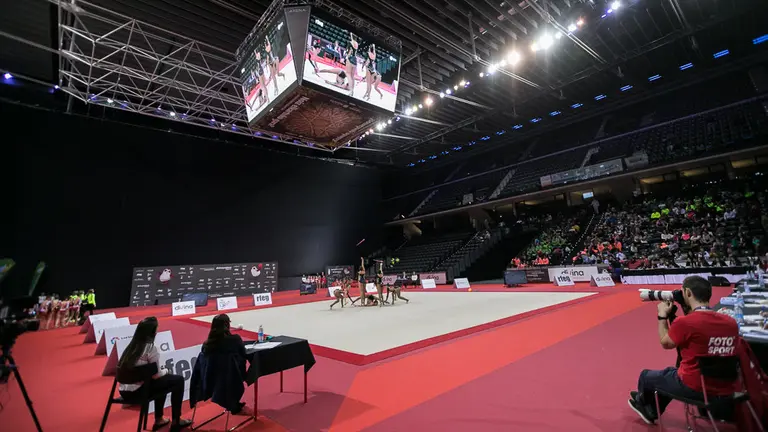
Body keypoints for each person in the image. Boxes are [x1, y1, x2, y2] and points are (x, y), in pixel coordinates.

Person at [627, 276, 739, 424]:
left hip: (696, 386)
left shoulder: (685, 323)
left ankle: (647, 406)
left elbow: (665, 343)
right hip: (727, 386)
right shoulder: (731, 322)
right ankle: (651, 405)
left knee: (646, 376)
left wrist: (662, 316)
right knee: (669, 373)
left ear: (687, 293)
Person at [118, 317, 192, 431]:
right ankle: (176, 420)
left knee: (162, 381)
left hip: (124, 392)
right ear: (153, 331)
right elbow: (156, 375)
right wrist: (166, 370)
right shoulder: (151, 348)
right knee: (178, 380)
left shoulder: (130, 347)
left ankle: (160, 419)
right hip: (140, 392)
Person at [197, 314, 248, 414]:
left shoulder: (206, 344)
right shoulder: (235, 339)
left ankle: (233, 402)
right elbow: (244, 354)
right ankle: (233, 401)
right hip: (231, 379)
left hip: (210, 380)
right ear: (227, 325)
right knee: (239, 364)